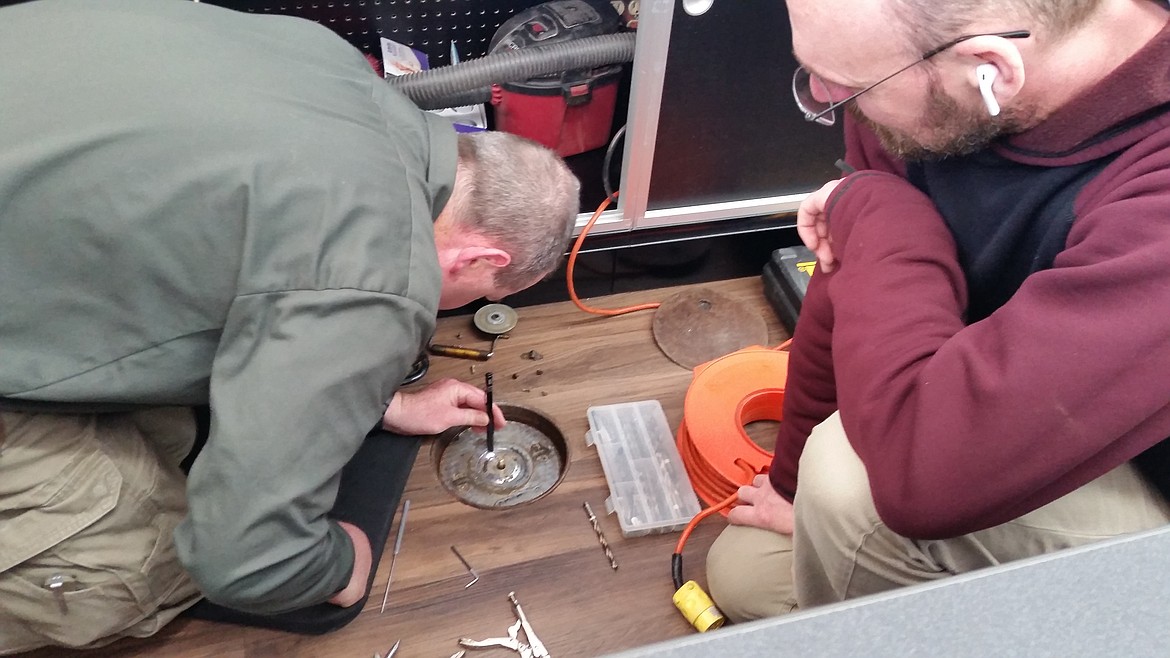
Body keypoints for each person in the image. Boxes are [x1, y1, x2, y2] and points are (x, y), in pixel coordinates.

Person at [0, 0, 580, 652]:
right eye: (471, 296)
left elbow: (279, 265)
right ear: (482, 258)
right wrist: (341, 563)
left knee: (170, 427)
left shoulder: (330, 66)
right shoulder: (379, 265)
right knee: (137, 559)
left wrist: (376, 399)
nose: (444, 308)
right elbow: (244, 559)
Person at [707, 0, 1170, 622]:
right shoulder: (936, 84)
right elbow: (845, 278)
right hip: (995, 403)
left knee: (846, 486)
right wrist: (788, 488)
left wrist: (877, 212)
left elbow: (923, 479)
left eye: (845, 86)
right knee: (745, 575)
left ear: (990, 70)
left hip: (1144, 475)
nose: (825, 98)